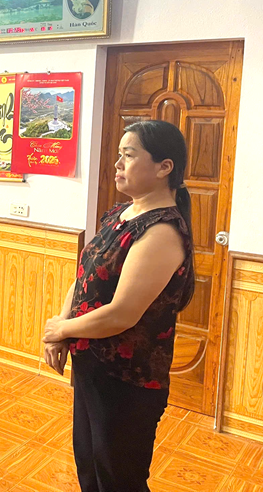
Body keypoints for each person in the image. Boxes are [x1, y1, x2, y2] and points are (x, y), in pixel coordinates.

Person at [42, 120, 195, 491]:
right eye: (119, 154)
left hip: (128, 379)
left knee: (119, 480)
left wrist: (61, 329)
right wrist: (61, 326)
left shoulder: (161, 231)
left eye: (129, 155)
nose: (118, 164)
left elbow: (122, 314)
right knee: (90, 468)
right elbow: (85, 278)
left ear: (164, 167)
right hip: (93, 365)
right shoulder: (121, 214)